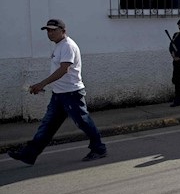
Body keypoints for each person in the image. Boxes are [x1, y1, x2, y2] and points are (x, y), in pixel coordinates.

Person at [8, 19, 107, 165]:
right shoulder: (59, 46)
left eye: (53, 30)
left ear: (63, 31)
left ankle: (99, 149)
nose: (50, 33)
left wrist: (43, 83)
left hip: (72, 93)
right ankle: (29, 154)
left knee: (83, 122)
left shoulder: (67, 46)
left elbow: (64, 69)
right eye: (48, 30)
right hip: (59, 94)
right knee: (47, 125)